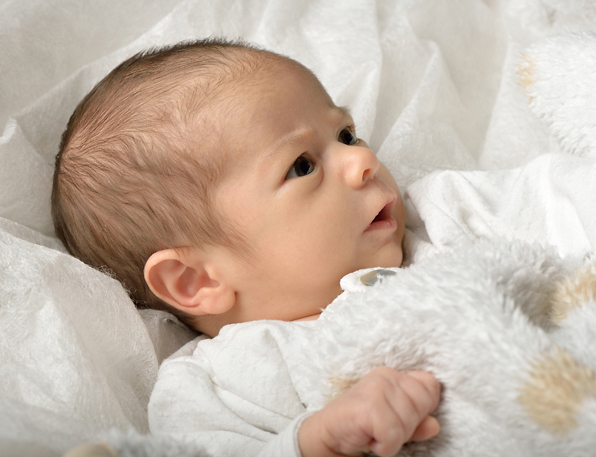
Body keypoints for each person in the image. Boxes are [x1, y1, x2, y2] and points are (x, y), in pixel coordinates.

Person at [51, 39, 441, 457]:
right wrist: (316, 441)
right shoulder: (219, 382)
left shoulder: (438, 216)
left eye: (346, 134)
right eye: (303, 166)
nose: (361, 159)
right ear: (196, 280)